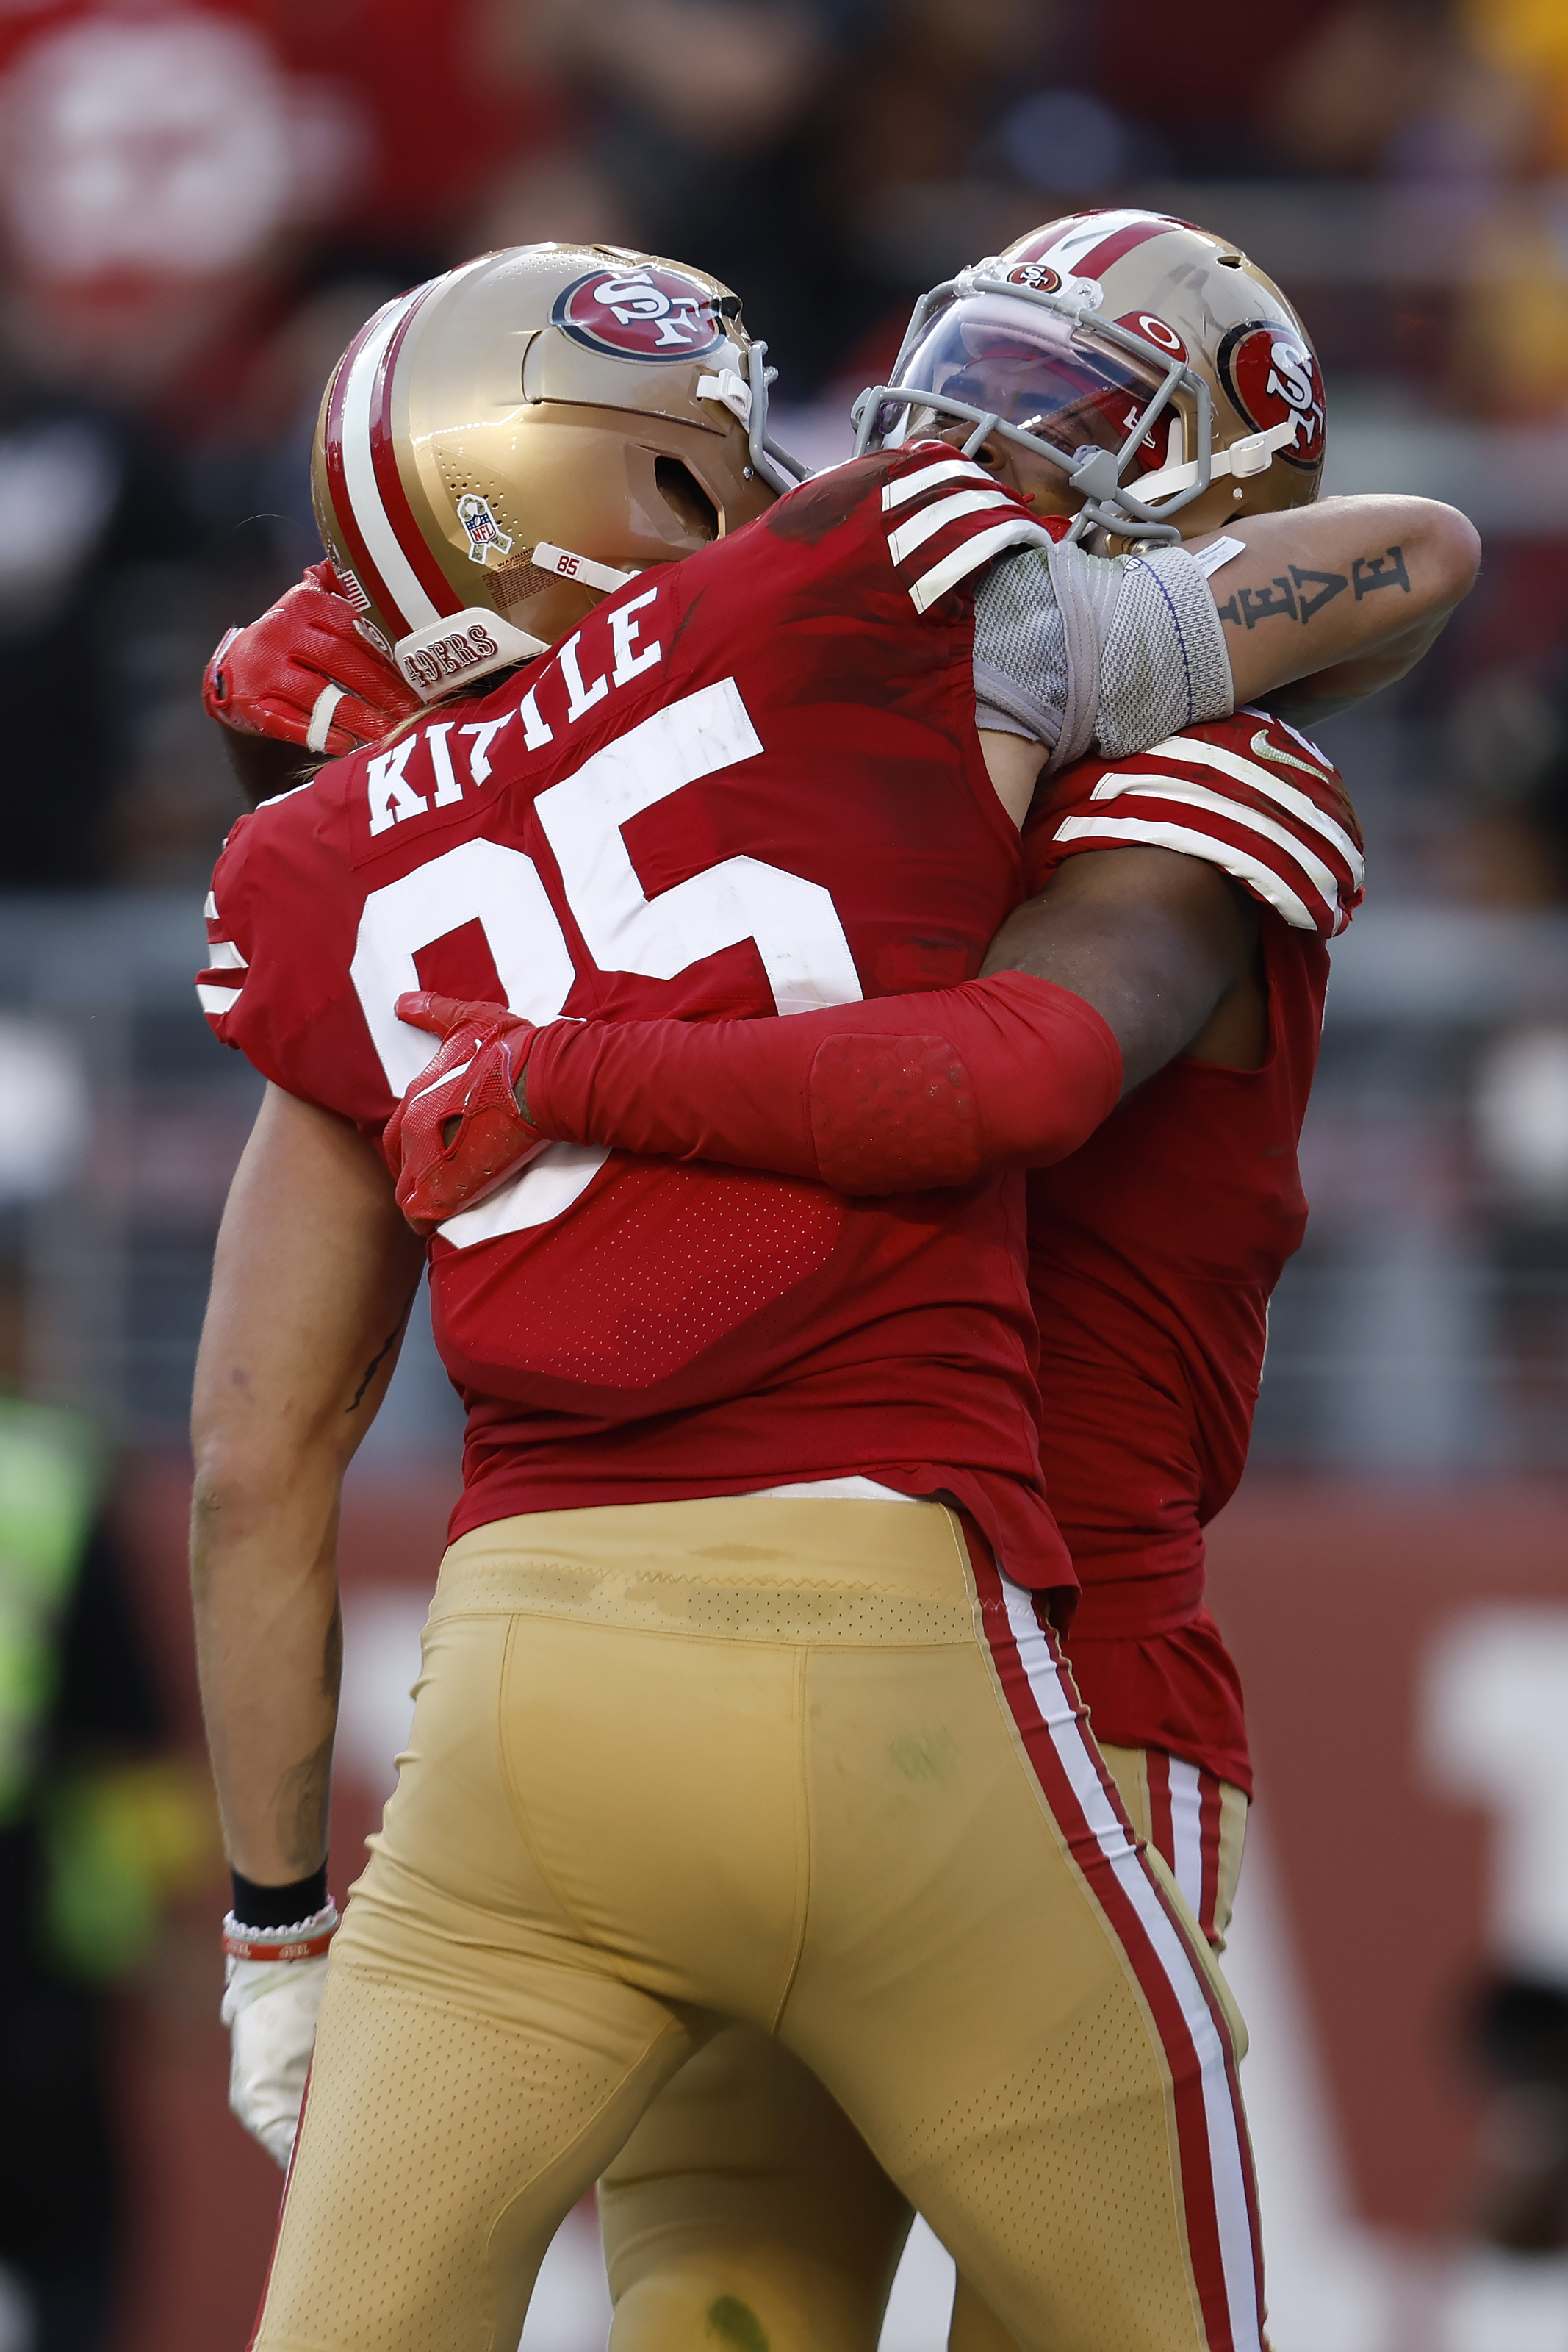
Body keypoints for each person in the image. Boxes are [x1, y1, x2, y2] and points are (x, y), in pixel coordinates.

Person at [191, 222, 1477, 2352]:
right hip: (943, 1633)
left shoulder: (1118, 735)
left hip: (956, 1640)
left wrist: (531, 1042)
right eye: (955, 388)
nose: (979, 443)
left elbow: (1008, 1066)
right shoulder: (833, 662)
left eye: (1063, 413)